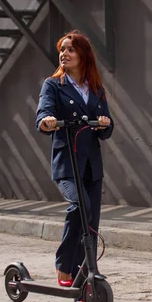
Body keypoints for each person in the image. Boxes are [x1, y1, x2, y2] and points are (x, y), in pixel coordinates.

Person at [35, 30, 114, 287]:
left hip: (92, 167)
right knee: (81, 207)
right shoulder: (53, 85)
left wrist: (104, 123)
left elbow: (107, 131)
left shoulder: (96, 90)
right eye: (62, 49)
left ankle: (86, 272)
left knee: (91, 222)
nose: (64, 54)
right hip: (67, 163)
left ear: (83, 55)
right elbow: (44, 112)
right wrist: (46, 121)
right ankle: (64, 265)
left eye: (70, 49)